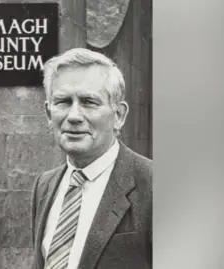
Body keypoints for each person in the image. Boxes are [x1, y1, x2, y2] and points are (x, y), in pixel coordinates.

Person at [30, 48, 153, 269]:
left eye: (89, 102)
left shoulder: (153, 185)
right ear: (49, 114)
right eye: (63, 102)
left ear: (119, 116)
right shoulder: (44, 185)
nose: (74, 116)